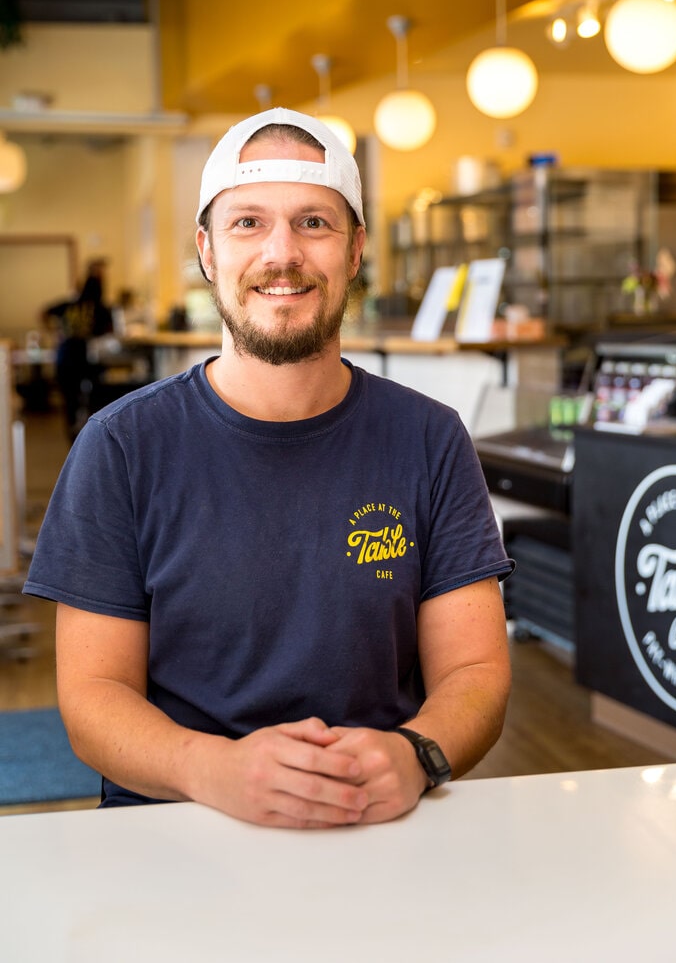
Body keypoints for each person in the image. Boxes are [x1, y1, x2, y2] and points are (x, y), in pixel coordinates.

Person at [24, 107, 513, 829]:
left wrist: (417, 753)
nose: (282, 253)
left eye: (313, 222)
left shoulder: (430, 438)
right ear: (208, 250)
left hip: (376, 825)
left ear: (355, 251)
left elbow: (475, 673)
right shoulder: (122, 446)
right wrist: (212, 768)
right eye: (248, 222)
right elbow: (94, 697)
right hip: (170, 832)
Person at [43, 258, 113, 442]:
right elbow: (110, 333)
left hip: (64, 356)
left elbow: (44, 312)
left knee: (70, 401)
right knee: (94, 398)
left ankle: (72, 438)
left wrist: (54, 332)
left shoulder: (69, 305)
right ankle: (91, 436)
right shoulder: (101, 309)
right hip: (86, 358)